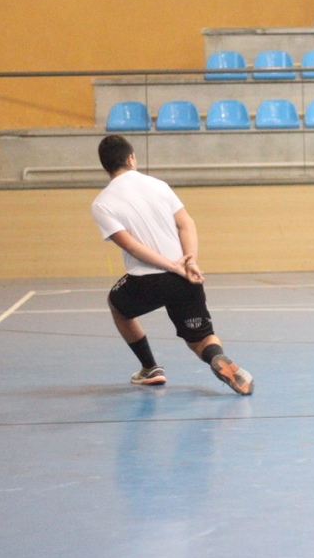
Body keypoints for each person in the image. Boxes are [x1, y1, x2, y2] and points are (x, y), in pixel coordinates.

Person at [91, 134, 253, 394]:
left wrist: (170, 265)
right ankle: (216, 356)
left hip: (147, 280)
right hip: (186, 277)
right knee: (199, 339)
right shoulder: (158, 185)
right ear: (131, 158)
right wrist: (189, 261)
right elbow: (186, 223)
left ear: (105, 166)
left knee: (117, 306)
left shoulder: (102, 203)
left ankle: (150, 368)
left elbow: (131, 246)